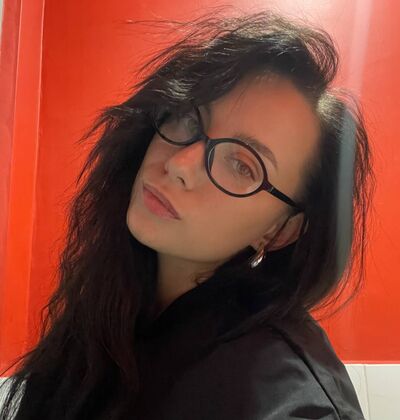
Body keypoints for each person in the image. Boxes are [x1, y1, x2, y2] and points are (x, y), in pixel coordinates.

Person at [0, 10, 374, 420]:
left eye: (242, 166)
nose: (180, 163)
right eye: (189, 117)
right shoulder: (115, 299)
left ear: (280, 230)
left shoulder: (284, 392)